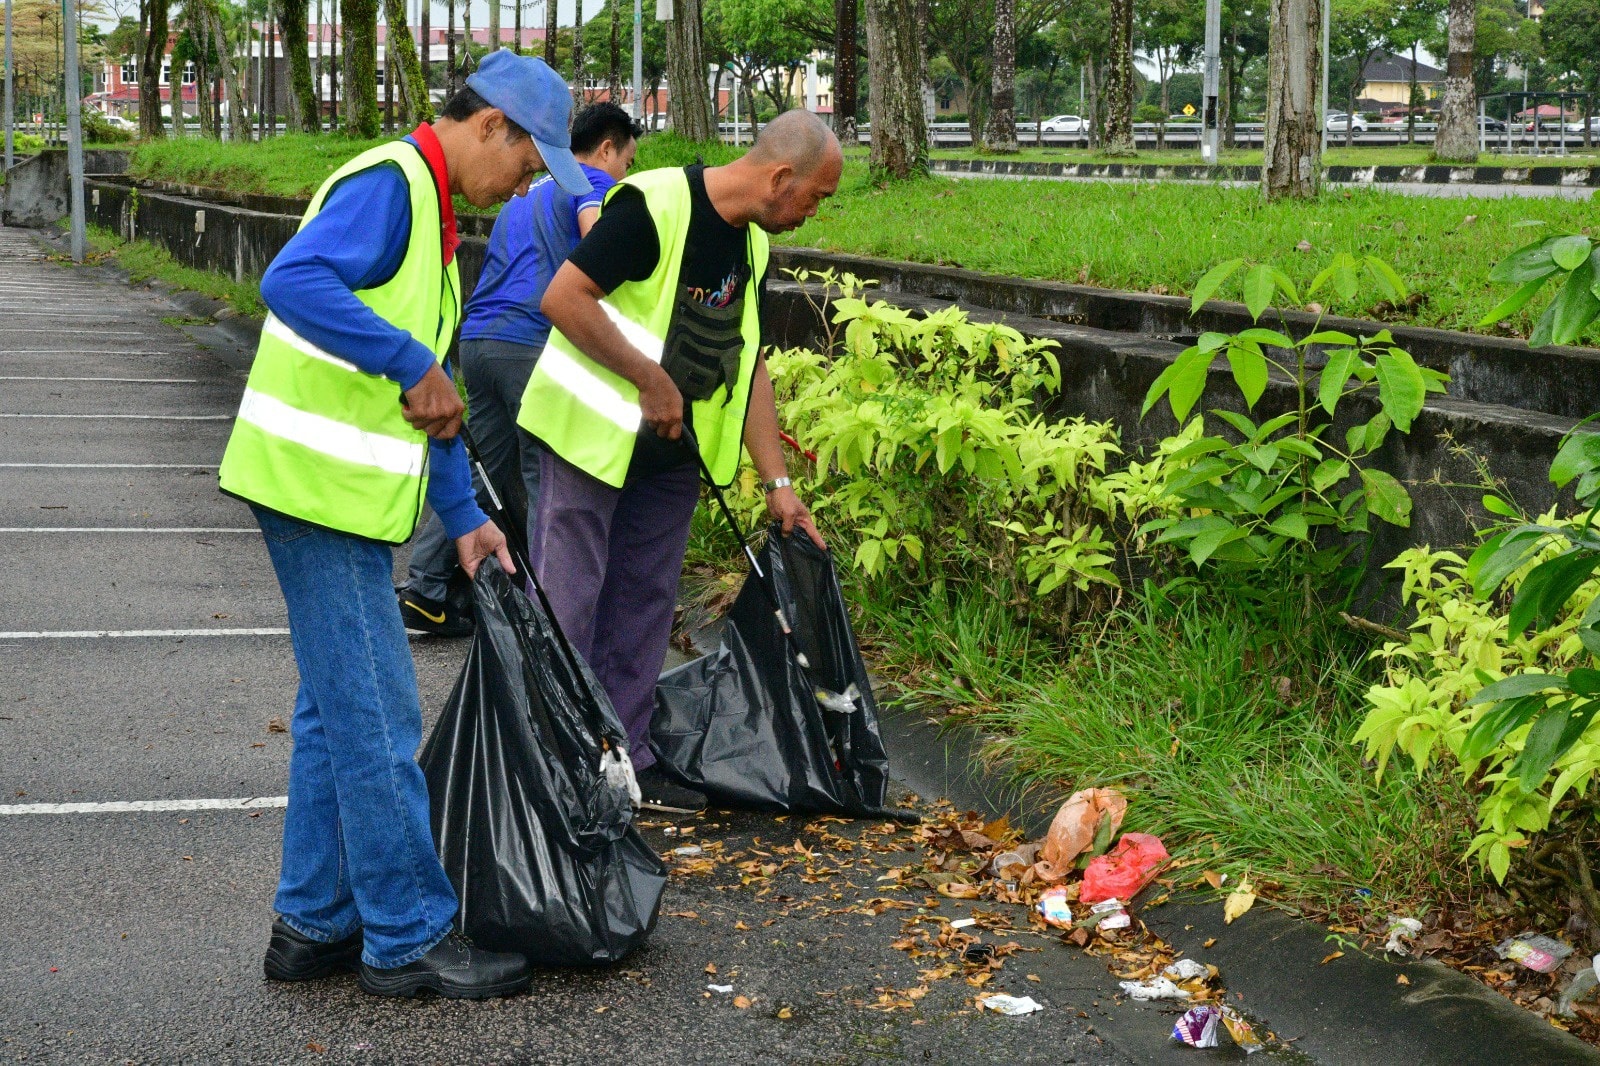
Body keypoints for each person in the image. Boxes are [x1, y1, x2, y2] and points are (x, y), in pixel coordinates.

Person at [216, 53, 593, 999]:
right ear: (492, 126)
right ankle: (405, 933)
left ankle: (312, 924)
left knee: (334, 712)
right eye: (530, 161)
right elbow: (294, 281)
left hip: (332, 496)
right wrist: (402, 361)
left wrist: (464, 518)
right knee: (380, 714)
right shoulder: (393, 185)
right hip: (314, 494)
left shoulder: (433, 209)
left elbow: (438, 400)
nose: (530, 183)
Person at [515, 109, 840, 814]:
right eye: (815, 197)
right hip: (586, 438)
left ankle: (629, 758)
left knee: (644, 605)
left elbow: (748, 361)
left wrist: (778, 483)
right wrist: (648, 378)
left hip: (667, 456)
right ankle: (553, 766)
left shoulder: (750, 246)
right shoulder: (652, 205)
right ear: (780, 177)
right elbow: (563, 298)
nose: (812, 214)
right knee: (570, 604)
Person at [397, 102, 644, 637]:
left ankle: (426, 588)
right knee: (546, 479)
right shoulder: (591, 184)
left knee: (481, 469)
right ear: (606, 148)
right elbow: (601, 249)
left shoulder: (522, 196)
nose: (624, 173)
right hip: (531, 345)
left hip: (480, 342)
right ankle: (545, 612)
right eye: (628, 161)